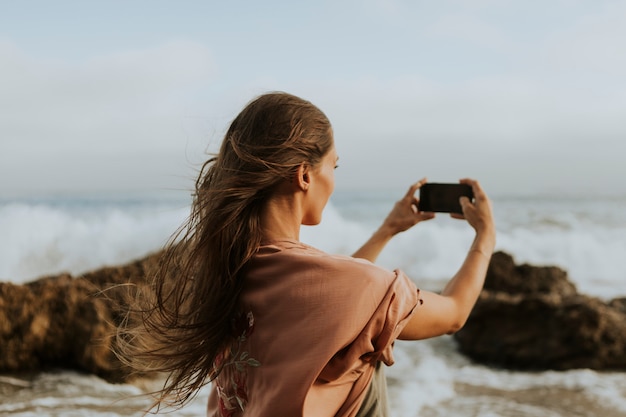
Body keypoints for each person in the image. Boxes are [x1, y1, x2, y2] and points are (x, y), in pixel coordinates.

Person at [123, 91, 496, 417]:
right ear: (304, 175)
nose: (333, 178)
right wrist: (485, 237)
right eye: (333, 166)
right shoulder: (351, 286)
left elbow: (337, 295)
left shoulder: (230, 270)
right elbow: (453, 313)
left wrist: (387, 231)